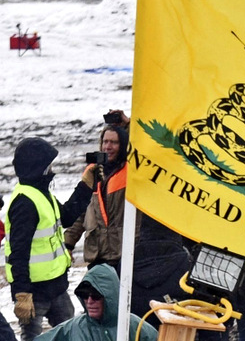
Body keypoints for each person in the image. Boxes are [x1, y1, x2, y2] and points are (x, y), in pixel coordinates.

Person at [8, 139, 94, 341]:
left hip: (56, 286)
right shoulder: (25, 202)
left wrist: (85, 186)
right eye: (49, 165)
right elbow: (18, 251)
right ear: (39, 167)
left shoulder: (41, 193)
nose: (52, 169)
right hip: (33, 293)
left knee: (69, 334)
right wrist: (22, 293)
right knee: (32, 337)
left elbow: (66, 217)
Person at [33, 263, 156, 341]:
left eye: (96, 296)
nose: (89, 301)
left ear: (110, 297)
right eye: (85, 295)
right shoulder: (72, 328)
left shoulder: (136, 327)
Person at [63, 125, 128, 271]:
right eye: (105, 142)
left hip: (125, 255)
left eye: (114, 142)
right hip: (97, 255)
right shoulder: (92, 172)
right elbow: (81, 212)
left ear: (123, 145)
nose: (108, 147)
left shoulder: (133, 173)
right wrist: (68, 244)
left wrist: (127, 123)